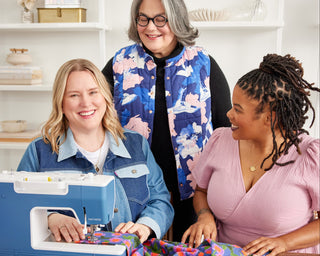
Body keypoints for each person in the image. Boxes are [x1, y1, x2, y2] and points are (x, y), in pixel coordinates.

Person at [102, 0, 231, 241]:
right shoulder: (119, 64)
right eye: (143, 18)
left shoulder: (204, 64)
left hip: (196, 193)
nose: (151, 27)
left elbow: (226, 132)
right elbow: (96, 118)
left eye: (160, 19)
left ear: (177, 20)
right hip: (135, 190)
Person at [16, 58, 174, 244]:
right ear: (61, 103)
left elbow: (160, 200)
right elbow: (16, 206)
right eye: (74, 95)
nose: (86, 103)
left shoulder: (136, 144)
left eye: (93, 92)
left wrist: (145, 226)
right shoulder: (39, 151)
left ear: (105, 97)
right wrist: (49, 218)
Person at [181, 53, 320, 255]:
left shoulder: (310, 155)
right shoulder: (220, 140)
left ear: (269, 118)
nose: (229, 114)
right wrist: (204, 216)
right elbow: (201, 191)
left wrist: (284, 243)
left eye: (238, 109)